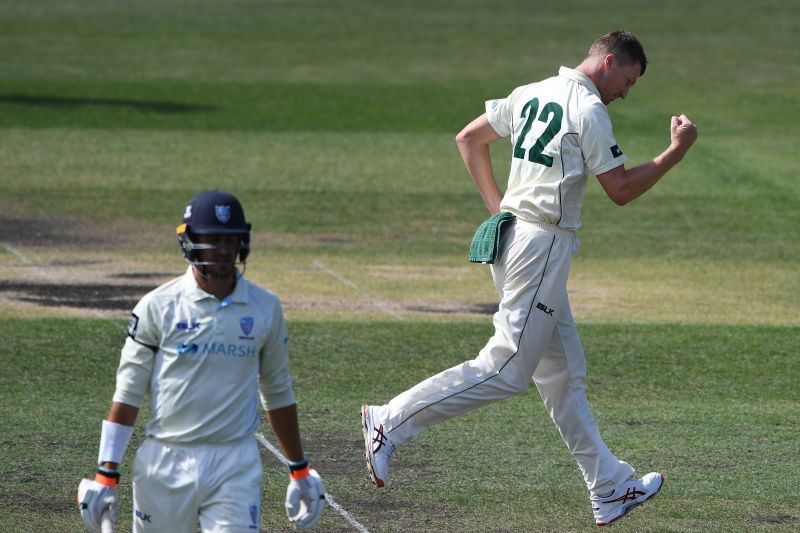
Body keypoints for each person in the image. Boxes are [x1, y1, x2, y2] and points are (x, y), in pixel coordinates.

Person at [361, 31, 697, 527]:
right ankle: (389, 421)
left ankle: (609, 486)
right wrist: (675, 152)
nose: (626, 93)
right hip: (540, 247)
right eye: (627, 81)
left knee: (563, 376)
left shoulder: (531, 91)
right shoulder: (588, 109)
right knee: (506, 369)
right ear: (608, 62)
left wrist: (501, 210)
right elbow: (621, 190)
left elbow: (468, 139)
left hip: (517, 239)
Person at [78, 189, 326, 532]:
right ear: (189, 241)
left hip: (234, 462)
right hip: (165, 462)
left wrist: (299, 468)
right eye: (213, 239)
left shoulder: (265, 307)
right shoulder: (157, 306)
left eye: (231, 239)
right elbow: (128, 391)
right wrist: (106, 472)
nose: (224, 249)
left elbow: (278, 390)